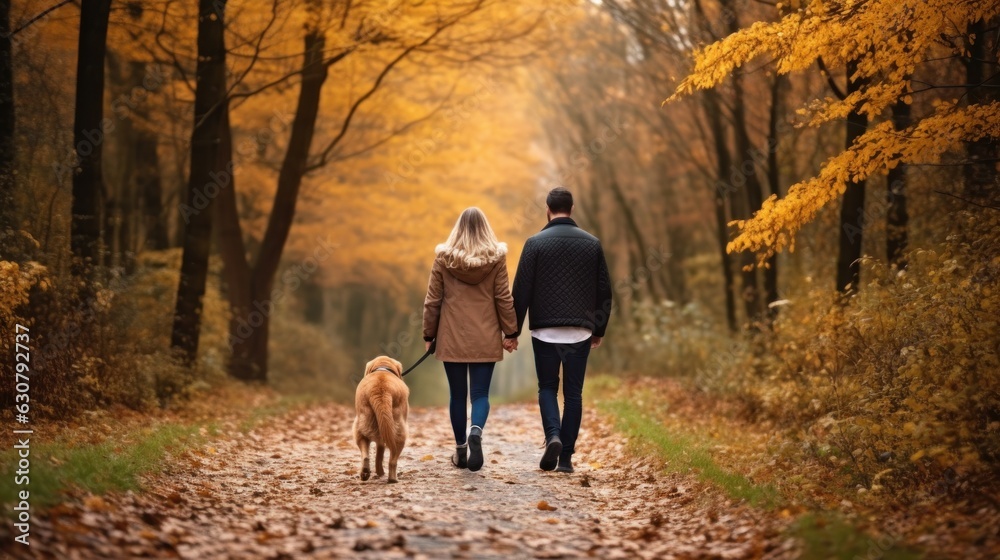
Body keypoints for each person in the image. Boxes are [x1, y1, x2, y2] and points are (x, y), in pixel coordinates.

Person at [506, 187, 613, 473]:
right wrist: (599, 327)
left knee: (548, 388)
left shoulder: (534, 243)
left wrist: (511, 331)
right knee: (574, 393)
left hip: (545, 332)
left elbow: (521, 292)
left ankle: (552, 435)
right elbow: (604, 290)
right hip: (580, 331)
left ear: (547, 209)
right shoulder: (592, 244)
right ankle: (565, 458)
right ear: (573, 208)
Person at [423, 207, 517, 472]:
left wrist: (429, 334)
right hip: (485, 336)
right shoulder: (496, 259)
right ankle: (476, 430)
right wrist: (511, 332)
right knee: (479, 394)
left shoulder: (443, 259)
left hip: (451, 336)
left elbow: (433, 301)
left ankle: (461, 450)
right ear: (486, 229)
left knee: (457, 395)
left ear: (457, 230)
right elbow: (503, 298)